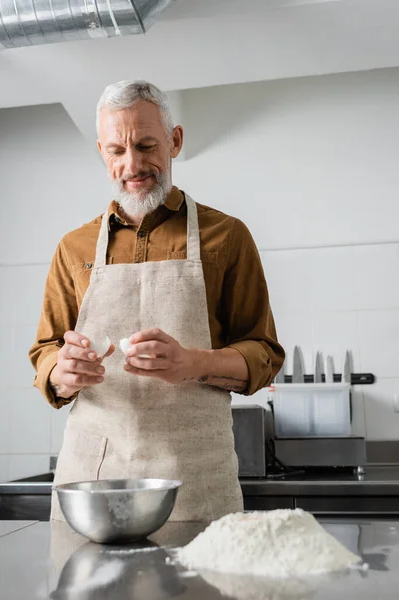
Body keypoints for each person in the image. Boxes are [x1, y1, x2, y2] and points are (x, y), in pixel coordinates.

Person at [29, 80, 285, 522]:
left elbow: (263, 354)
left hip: (195, 476)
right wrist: (62, 374)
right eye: (116, 151)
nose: (132, 164)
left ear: (175, 141)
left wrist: (193, 362)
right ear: (102, 152)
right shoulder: (73, 247)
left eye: (147, 145)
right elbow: (45, 352)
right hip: (93, 479)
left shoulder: (227, 236)